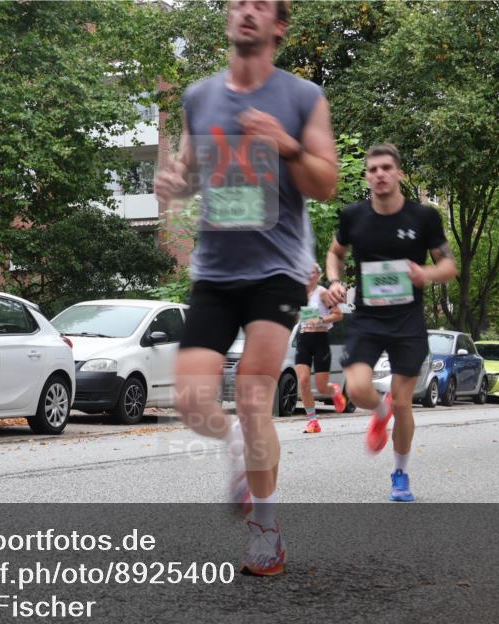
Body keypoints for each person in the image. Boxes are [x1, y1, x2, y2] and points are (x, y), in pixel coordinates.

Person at [155, 0, 337, 576]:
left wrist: (287, 144)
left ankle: (267, 530)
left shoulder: (303, 97)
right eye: (239, 3)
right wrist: (176, 182)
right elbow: (191, 170)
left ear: (279, 25)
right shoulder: (200, 96)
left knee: (256, 394)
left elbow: (326, 182)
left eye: (260, 5)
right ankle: (234, 437)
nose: (247, 12)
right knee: (190, 402)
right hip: (214, 270)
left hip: (276, 269)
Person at [323, 143, 458, 503]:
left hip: (407, 321)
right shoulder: (354, 216)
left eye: (386, 168)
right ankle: (379, 411)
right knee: (357, 389)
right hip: (367, 318)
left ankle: (400, 473)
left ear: (399, 173)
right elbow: (335, 253)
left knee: (403, 403)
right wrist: (334, 281)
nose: (380, 174)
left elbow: (449, 266)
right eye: (373, 169)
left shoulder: (423, 218)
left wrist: (426, 273)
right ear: (367, 177)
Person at [296, 263, 347, 433]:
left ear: (318, 275)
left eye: (312, 272)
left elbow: (338, 315)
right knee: (303, 381)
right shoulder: (299, 294)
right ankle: (313, 421)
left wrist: (321, 320)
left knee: (321, 387)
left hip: (320, 340)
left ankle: (334, 391)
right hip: (303, 339)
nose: (308, 275)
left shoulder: (323, 293)